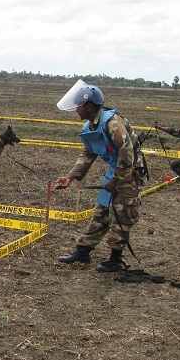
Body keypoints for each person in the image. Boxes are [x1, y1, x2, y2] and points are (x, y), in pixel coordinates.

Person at [54, 81, 146, 272]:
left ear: (89, 106)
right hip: (116, 170)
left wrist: (117, 180)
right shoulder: (91, 126)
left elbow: (127, 151)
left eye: (79, 106)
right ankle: (83, 251)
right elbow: (88, 153)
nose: (76, 110)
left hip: (129, 172)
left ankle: (115, 259)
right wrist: (70, 177)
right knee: (102, 210)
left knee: (121, 213)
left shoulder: (112, 123)